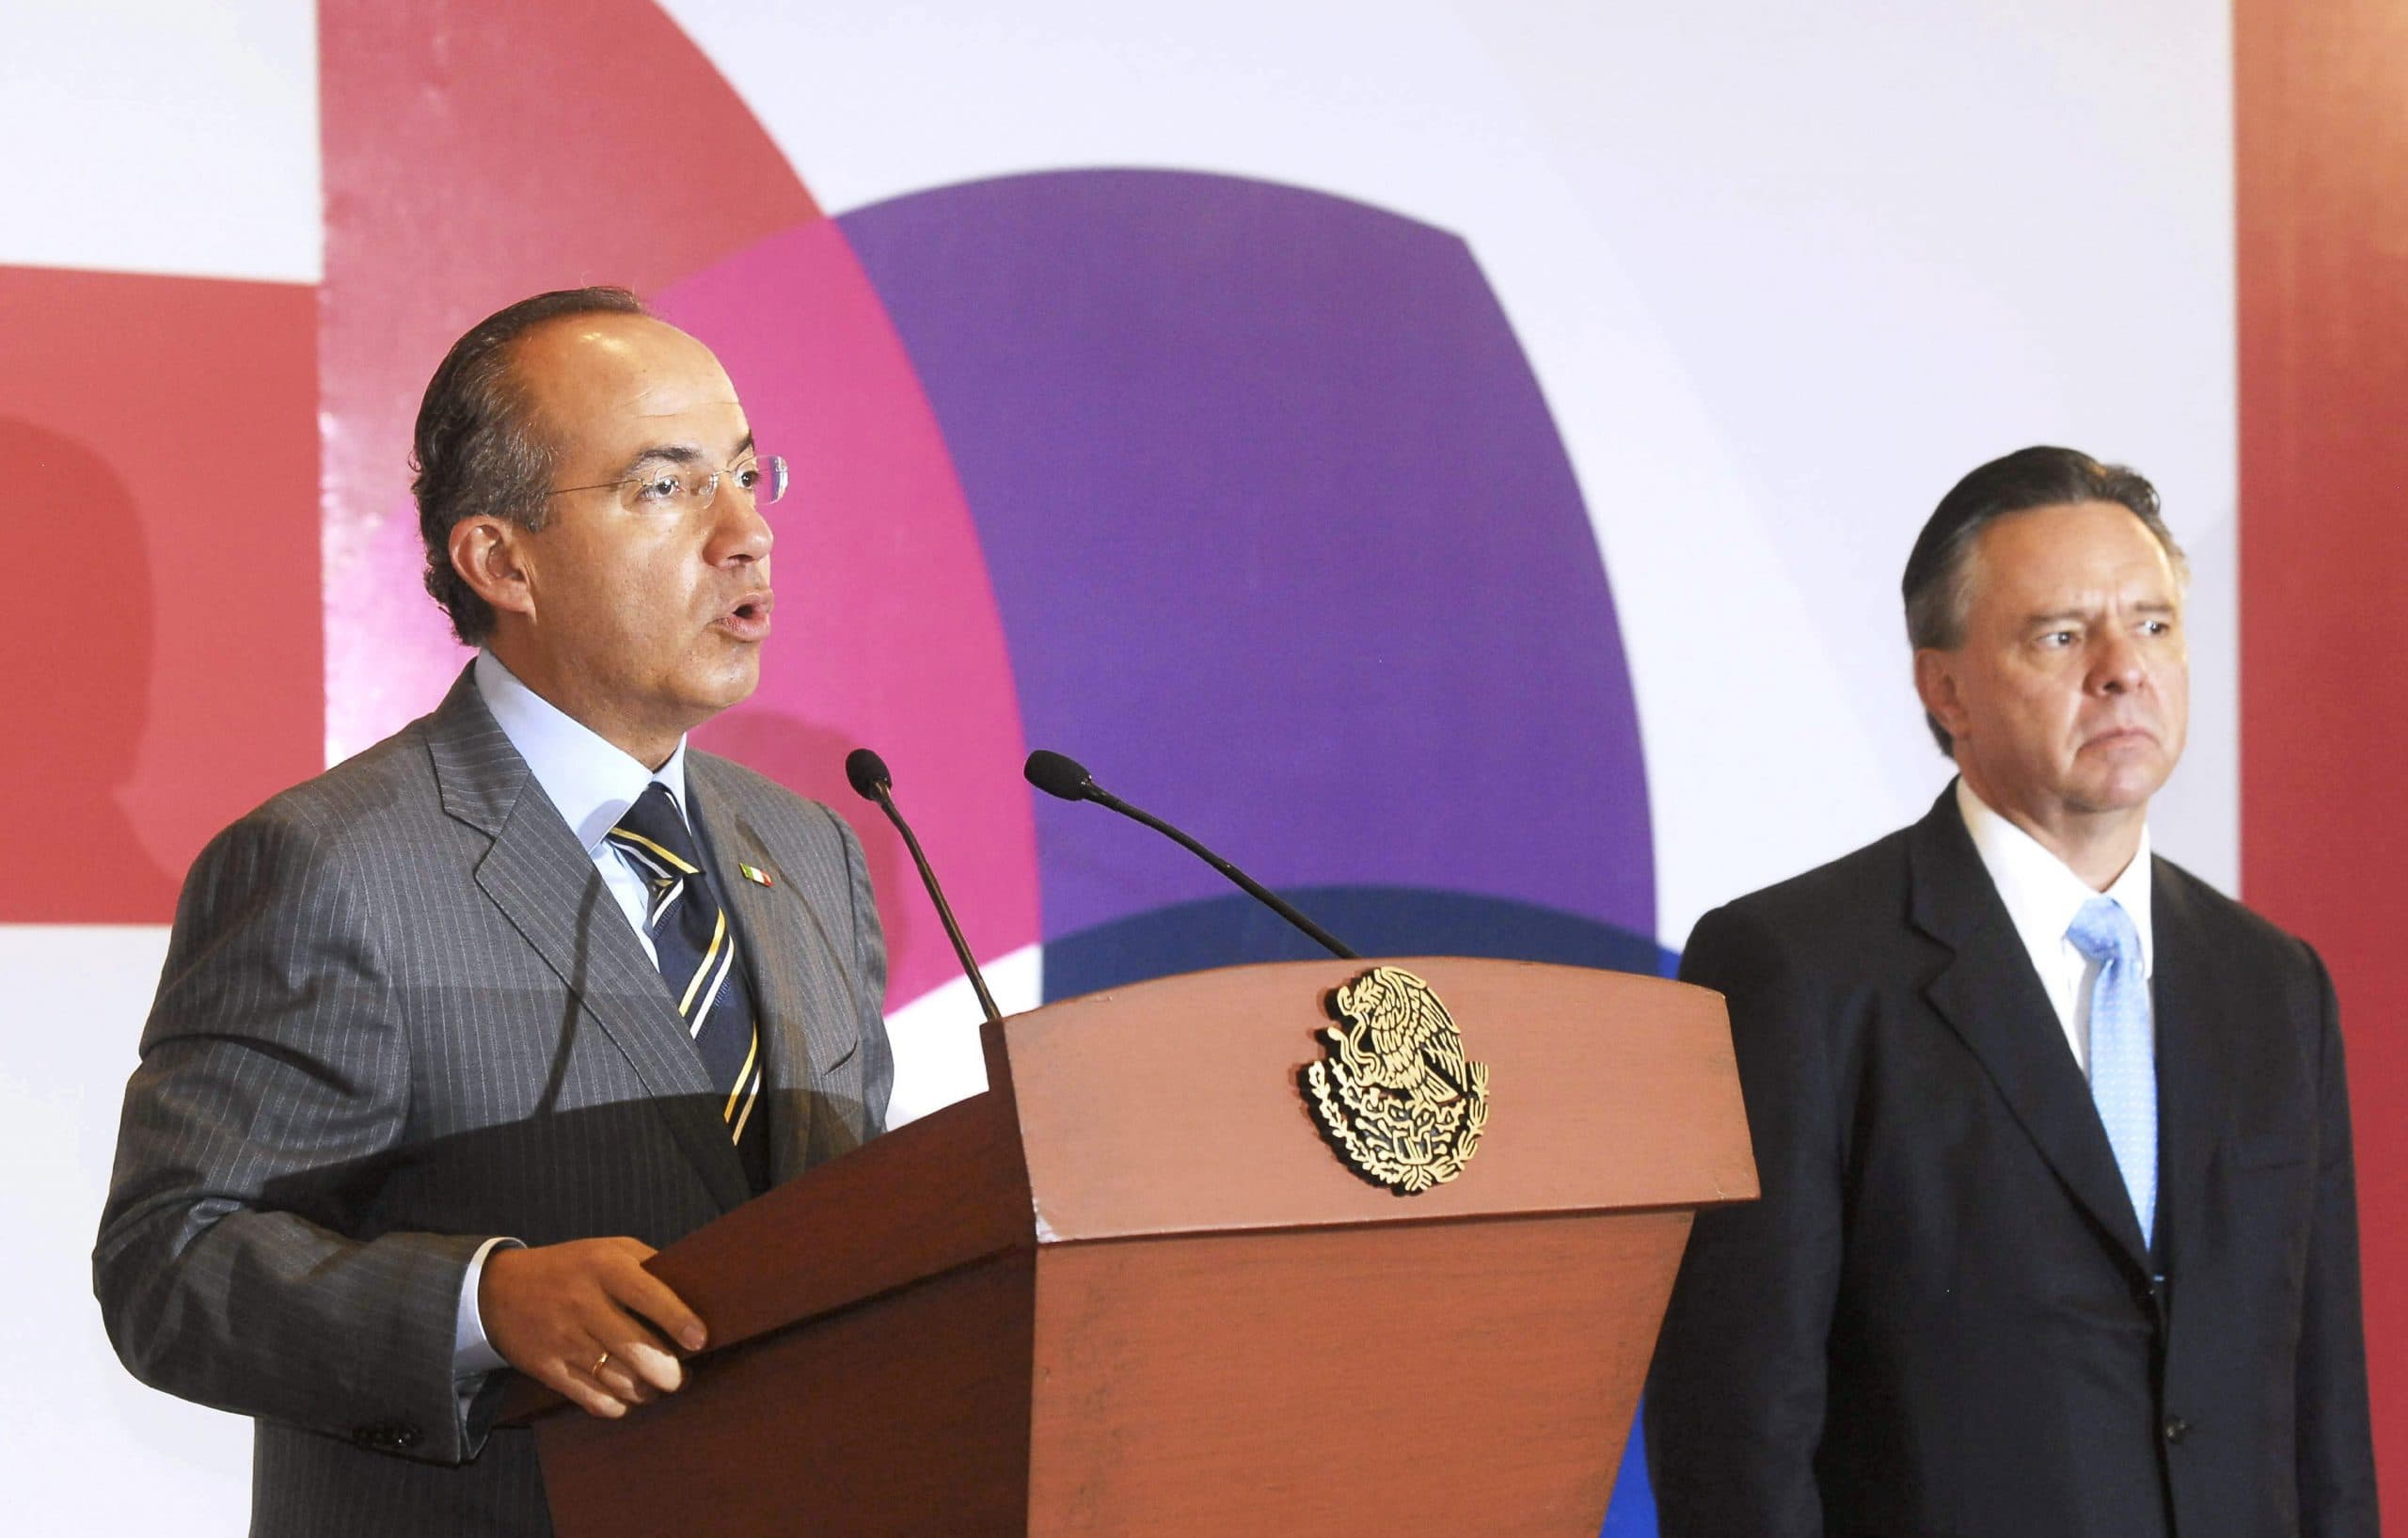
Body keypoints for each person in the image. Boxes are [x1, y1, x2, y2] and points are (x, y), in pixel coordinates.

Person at [95, 287, 893, 1536]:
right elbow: (172, 1263)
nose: (746, 534)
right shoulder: (330, 861)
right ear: (501, 561)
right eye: (667, 486)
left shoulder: (813, 852)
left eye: (747, 474)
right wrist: (484, 1302)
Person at [1644, 447, 2377, 1537]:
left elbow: (2323, 1422)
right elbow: (1736, 1435)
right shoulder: (1794, 968)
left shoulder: (2273, 984)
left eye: (2153, 625)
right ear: (1944, 689)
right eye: (2061, 635)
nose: (2122, 669)